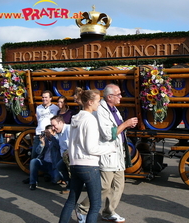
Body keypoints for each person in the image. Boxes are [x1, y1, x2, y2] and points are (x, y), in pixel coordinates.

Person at [75, 84, 138, 223]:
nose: (121, 96)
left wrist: (126, 125)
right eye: (118, 94)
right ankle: (82, 209)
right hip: (107, 154)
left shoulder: (114, 109)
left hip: (118, 154)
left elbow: (117, 129)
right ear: (110, 97)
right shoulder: (101, 110)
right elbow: (109, 134)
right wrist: (126, 124)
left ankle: (109, 212)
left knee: (118, 185)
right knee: (104, 186)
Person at [59, 89, 116, 223]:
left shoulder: (76, 118)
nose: (100, 103)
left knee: (71, 201)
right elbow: (91, 148)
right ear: (90, 102)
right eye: (98, 101)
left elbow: (72, 144)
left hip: (75, 164)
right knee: (95, 205)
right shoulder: (90, 120)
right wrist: (110, 148)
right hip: (89, 166)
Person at [28, 125, 61, 190]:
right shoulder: (44, 140)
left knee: (56, 179)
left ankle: (51, 176)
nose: (46, 135)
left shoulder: (58, 139)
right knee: (33, 161)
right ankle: (33, 183)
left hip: (54, 165)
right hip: (44, 163)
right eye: (45, 133)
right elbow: (38, 152)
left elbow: (58, 147)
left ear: (54, 132)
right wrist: (42, 144)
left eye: (48, 133)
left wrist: (52, 138)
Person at [32, 90, 59, 159]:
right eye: (43, 97)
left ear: (50, 98)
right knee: (35, 154)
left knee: (48, 155)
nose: (44, 99)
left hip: (50, 134)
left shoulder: (55, 108)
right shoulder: (38, 108)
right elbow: (38, 120)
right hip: (39, 134)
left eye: (46, 97)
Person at [50, 115, 71, 194]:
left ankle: (74, 187)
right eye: (52, 126)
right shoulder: (59, 133)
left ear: (61, 123)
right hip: (66, 157)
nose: (53, 128)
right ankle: (70, 185)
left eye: (54, 125)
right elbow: (62, 147)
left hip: (74, 156)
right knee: (60, 166)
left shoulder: (69, 129)